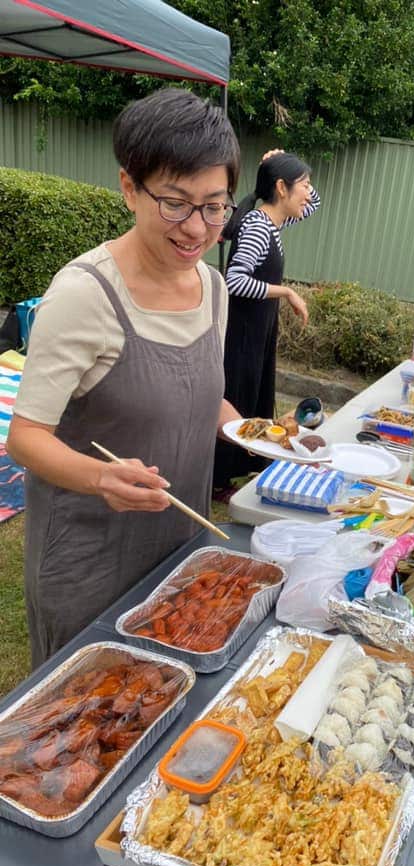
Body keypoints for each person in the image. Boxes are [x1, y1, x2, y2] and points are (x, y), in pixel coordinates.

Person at [7, 87, 242, 668]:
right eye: (176, 203)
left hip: (180, 552)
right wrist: (100, 478)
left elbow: (195, 392)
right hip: (90, 561)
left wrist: (246, 428)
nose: (197, 228)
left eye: (215, 205)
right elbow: (25, 437)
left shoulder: (213, 288)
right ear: (129, 188)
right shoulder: (85, 294)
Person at [213, 150, 320, 494]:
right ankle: (218, 479)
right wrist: (285, 292)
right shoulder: (259, 226)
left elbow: (313, 205)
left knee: (255, 396)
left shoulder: (274, 221)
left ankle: (240, 469)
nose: (308, 192)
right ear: (281, 188)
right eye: (303, 184)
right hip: (241, 334)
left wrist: (282, 158)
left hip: (258, 331)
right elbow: (234, 280)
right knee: (238, 400)